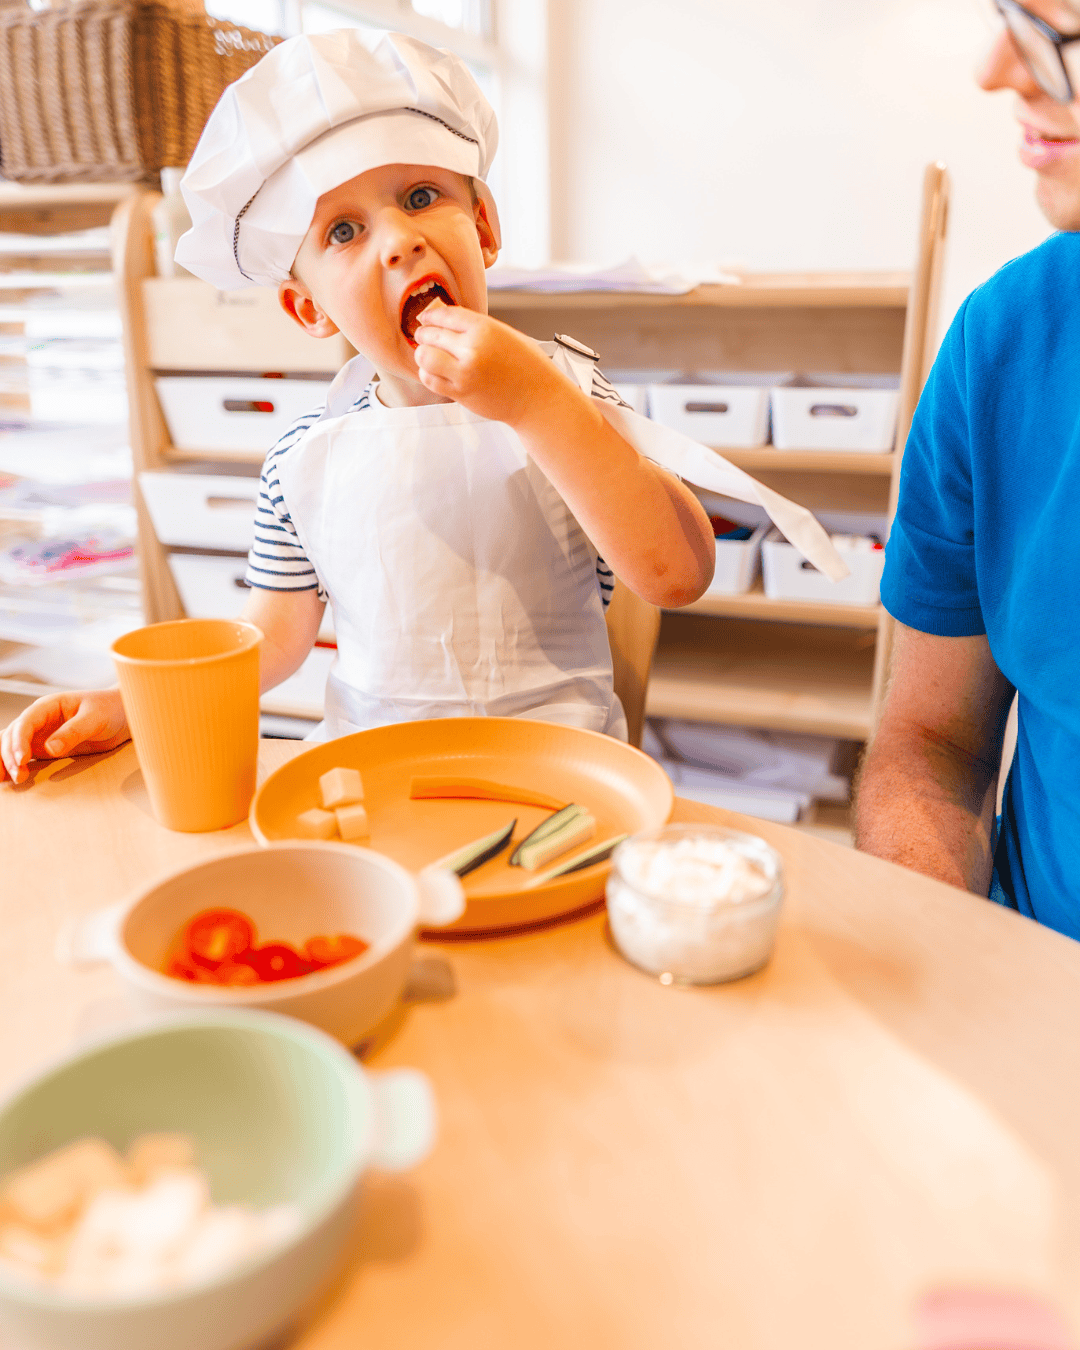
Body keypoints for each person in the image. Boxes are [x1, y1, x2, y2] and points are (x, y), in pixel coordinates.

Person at [0, 28, 843, 786]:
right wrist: (128, 704)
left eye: (418, 197)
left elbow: (678, 574)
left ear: (483, 227)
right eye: (342, 232)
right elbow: (272, 636)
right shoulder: (303, 457)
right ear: (310, 311)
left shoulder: (568, 393)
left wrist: (536, 403)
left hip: (560, 782)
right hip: (376, 780)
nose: (398, 239)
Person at [855, 0, 1080, 936]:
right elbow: (932, 746)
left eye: (1058, 32)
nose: (997, 70)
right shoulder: (1005, 343)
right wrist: (949, 968)